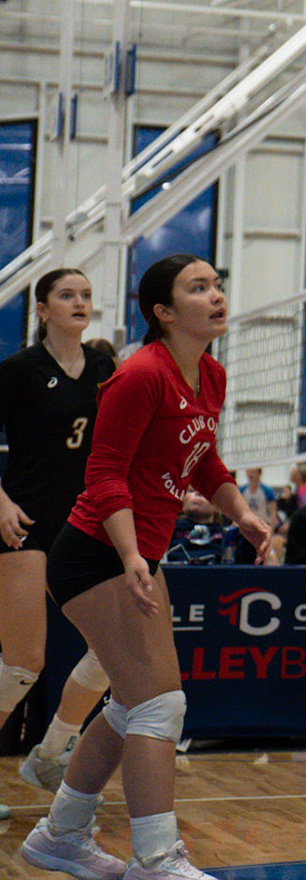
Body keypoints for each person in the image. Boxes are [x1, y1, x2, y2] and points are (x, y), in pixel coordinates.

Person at [23, 254, 271, 880]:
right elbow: (104, 471)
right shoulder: (139, 375)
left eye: (218, 284)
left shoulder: (210, 374)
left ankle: (60, 835)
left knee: (131, 705)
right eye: (198, 288)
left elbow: (203, 460)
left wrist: (242, 512)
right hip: (96, 552)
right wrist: (133, 553)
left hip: (135, 553)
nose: (216, 295)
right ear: (163, 311)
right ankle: (157, 859)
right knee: (159, 706)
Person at [0, 270, 117, 811]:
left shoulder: (103, 368)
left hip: (82, 523)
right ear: (43, 309)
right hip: (24, 522)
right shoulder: (20, 370)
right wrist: (1, 501)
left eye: (86, 295)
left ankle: (51, 754)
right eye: (67, 295)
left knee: (113, 649)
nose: (80, 302)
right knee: (24, 662)